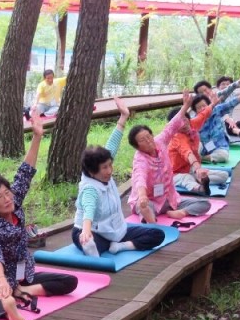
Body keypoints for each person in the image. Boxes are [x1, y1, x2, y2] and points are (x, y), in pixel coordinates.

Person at [0, 111, 77, 320]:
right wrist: (2, 280)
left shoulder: (14, 201)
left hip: (22, 273)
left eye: (6, 193)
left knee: (69, 281)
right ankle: (10, 304)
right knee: (0, 294)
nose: (6, 199)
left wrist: (37, 136)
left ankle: (23, 291)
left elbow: (25, 172)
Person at [72, 96, 166, 258]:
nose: (110, 170)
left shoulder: (101, 170)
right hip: (92, 232)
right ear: (93, 171)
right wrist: (86, 231)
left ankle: (121, 246)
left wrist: (123, 117)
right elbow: (89, 210)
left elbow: (112, 145)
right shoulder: (90, 189)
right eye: (105, 168)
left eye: (110, 165)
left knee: (157, 235)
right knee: (93, 246)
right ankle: (93, 245)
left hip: (116, 231)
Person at [127, 90, 211, 222]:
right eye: (143, 140)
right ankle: (150, 220)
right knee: (144, 207)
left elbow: (171, 126)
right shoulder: (140, 159)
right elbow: (140, 177)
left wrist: (185, 106)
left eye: (149, 136)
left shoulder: (159, 142)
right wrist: (142, 196)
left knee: (205, 204)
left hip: (169, 199)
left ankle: (181, 212)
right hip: (151, 201)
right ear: (137, 146)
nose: (149, 141)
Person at [167, 100, 231, 196]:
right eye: (178, 123)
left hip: (191, 169)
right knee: (186, 178)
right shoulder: (177, 137)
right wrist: (197, 168)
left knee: (224, 175)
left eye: (184, 119)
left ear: (189, 119)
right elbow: (188, 153)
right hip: (175, 173)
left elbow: (203, 114)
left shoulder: (192, 123)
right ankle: (200, 188)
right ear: (173, 127)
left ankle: (199, 179)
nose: (183, 124)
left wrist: (213, 103)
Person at [193, 79, 240, 163]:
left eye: (204, 106)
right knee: (196, 146)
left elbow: (233, 102)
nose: (202, 109)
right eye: (199, 108)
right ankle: (200, 157)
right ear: (195, 111)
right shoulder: (195, 119)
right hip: (205, 146)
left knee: (223, 155)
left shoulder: (217, 109)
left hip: (218, 146)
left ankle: (203, 158)